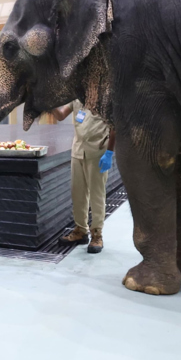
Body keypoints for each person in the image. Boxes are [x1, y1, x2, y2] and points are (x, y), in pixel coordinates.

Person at [52, 100, 115, 254]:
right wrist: (48, 103)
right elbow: (60, 116)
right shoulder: (76, 99)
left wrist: (109, 153)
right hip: (78, 151)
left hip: (97, 152)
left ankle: (97, 235)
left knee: (96, 195)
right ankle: (80, 230)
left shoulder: (104, 98)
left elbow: (115, 126)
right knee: (78, 193)